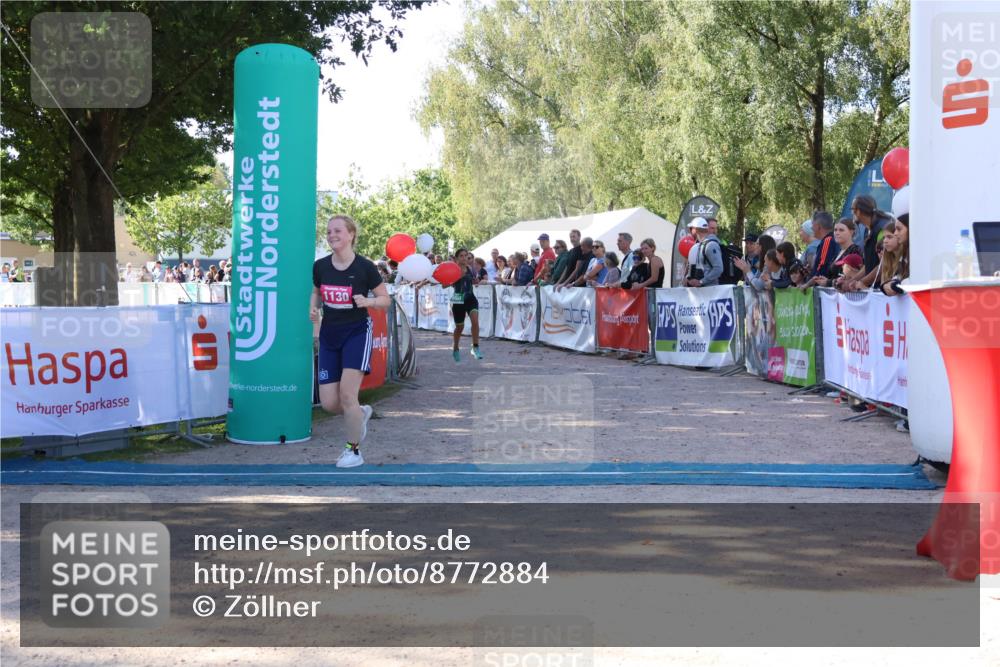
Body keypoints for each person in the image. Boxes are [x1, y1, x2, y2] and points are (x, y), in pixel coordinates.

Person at [310, 214, 390, 468]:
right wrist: (314, 310)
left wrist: (369, 301)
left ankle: (353, 451)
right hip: (329, 335)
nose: (332, 235)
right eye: (329, 231)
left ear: (351, 234)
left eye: (338, 231)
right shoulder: (320, 266)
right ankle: (360, 412)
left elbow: (385, 300)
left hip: (357, 332)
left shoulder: (365, 267)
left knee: (347, 395)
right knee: (329, 403)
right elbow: (316, 292)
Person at [851, 194, 894, 290]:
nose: (852, 213)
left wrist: (862, 282)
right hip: (874, 290)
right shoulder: (868, 230)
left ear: (858, 211)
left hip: (884, 291)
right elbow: (869, 265)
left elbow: (884, 265)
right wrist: (851, 281)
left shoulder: (882, 229)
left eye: (852, 209)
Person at [449, 249, 484, 362]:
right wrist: (458, 276)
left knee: (475, 321)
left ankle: (475, 347)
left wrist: (475, 281)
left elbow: (474, 281)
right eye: (461, 256)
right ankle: (455, 348)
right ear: (457, 258)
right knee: (460, 327)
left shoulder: (470, 268)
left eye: (466, 256)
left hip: (470, 298)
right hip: (458, 299)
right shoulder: (452, 269)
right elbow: (445, 284)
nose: (464, 258)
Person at [805, 217, 860, 288]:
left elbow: (852, 278)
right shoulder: (839, 252)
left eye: (841, 230)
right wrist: (825, 280)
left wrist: (828, 282)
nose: (837, 233)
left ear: (851, 232)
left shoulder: (855, 250)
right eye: (835, 230)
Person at [685, 218, 723, 287]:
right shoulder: (701, 244)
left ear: (695, 230)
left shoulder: (711, 245)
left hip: (711, 290)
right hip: (704, 290)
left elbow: (718, 269)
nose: (690, 232)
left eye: (691, 229)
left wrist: (701, 281)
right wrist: (690, 279)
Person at [882, 214, 909, 296]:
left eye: (899, 229)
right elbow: (898, 277)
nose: (895, 233)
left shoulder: (918, 254)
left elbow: (919, 280)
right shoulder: (904, 255)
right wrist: (885, 286)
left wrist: (894, 285)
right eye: (884, 238)